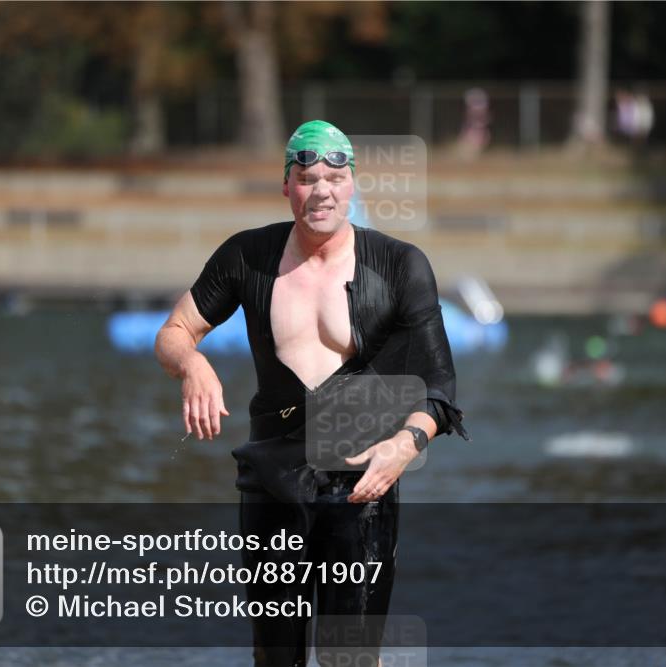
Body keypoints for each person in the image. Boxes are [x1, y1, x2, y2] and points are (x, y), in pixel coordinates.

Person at [155, 120, 469, 666]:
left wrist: (404, 446)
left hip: (363, 485)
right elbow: (173, 332)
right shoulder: (247, 256)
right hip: (273, 481)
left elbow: (440, 389)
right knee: (276, 658)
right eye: (306, 177)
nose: (320, 190)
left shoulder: (399, 265)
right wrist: (192, 364)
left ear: (352, 186)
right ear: (287, 187)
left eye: (333, 177)